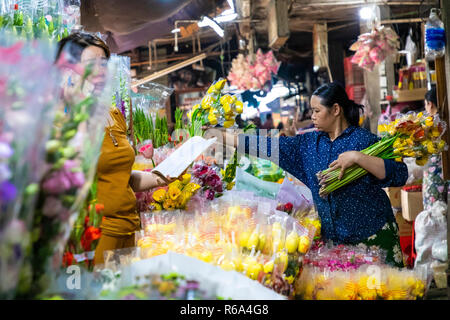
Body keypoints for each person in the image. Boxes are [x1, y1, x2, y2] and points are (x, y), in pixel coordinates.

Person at [228, 82, 408, 267]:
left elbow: (399, 174)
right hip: (335, 244)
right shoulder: (307, 144)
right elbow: (269, 146)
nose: (312, 117)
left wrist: (357, 157)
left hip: (374, 236)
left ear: (336, 109)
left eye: (317, 111)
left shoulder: (363, 140)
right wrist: (225, 138)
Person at [55, 33, 174, 265]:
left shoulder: (113, 114)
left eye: (104, 63)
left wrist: (157, 178)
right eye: (92, 64)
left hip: (129, 228)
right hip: (92, 235)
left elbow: (120, 178)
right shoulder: (60, 118)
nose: (101, 71)